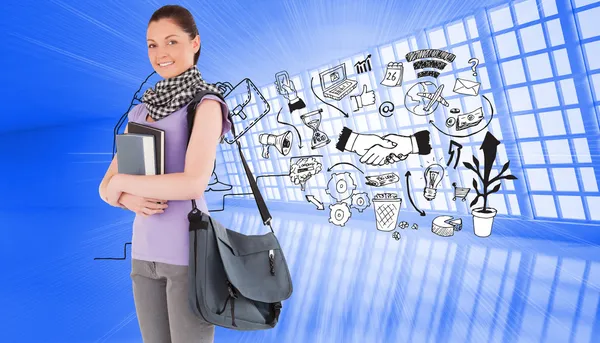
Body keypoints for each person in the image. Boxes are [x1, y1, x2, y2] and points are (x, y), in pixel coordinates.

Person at [98, 5, 232, 343]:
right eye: (152, 44)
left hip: (188, 253)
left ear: (195, 43)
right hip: (144, 255)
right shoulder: (140, 110)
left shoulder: (206, 105)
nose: (161, 53)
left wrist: (124, 185)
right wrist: (128, 197)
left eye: (171, 41)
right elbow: (104, 188)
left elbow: (193, 182)